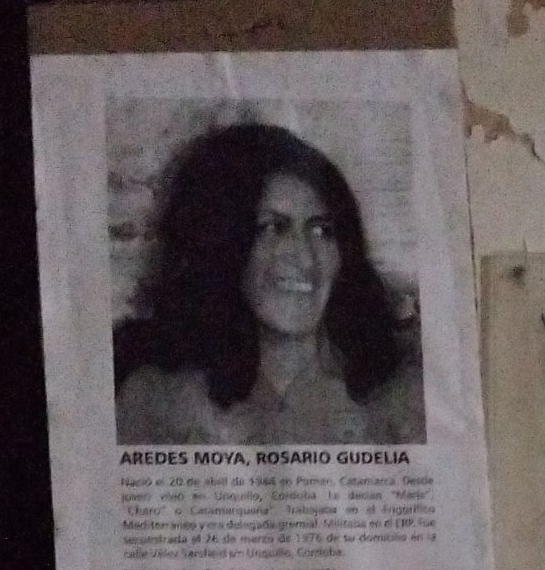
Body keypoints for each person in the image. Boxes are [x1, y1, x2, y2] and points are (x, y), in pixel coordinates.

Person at [114, 121, 424, 445]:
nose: (304, 258)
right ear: (222, 242)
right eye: (272, 227)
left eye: (321, 230)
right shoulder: (156, 401)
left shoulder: (401, 397)